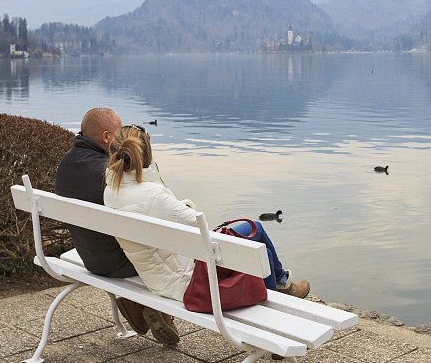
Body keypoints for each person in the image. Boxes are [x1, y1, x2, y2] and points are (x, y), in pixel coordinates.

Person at [103, 124, 310, 308]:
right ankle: (281, 287)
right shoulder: (152, 194)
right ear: (146, 156)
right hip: (185, 280)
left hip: (158, 277)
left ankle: (282, 283)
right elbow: (197, 225)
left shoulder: (110, 191)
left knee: (260, 250)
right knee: (256, 228)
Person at [54, 108, 180, 345]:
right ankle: (147, 306)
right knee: (167, 249)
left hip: (90, 257)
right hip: (121, 262)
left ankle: (138, 305)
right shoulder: (110, 176)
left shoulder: (67, 162)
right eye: (120, 132)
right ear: (106, 137)